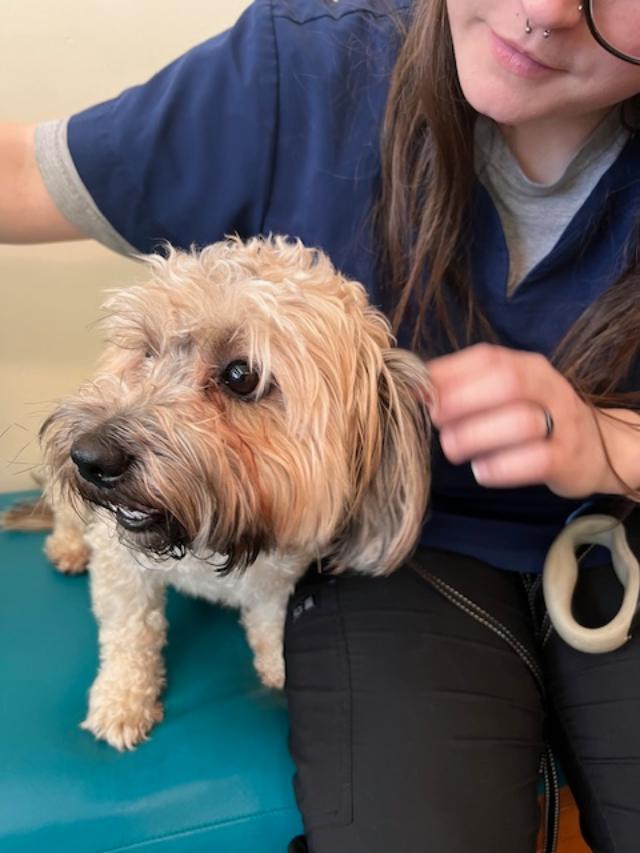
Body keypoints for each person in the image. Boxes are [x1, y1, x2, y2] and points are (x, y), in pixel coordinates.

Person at [3, 0, 640, 850]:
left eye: (240, 378)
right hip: (393, 555)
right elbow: (21, 173)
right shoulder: (301, 68)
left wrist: (612, 444)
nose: (543, 10)